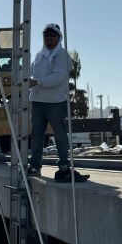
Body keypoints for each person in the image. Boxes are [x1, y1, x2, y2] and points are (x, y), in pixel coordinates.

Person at [27, 23, 89, 183]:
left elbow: (58, 77)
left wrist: (37, 82)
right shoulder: (39, 55)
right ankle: (34, 166)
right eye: (46, 35)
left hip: (56, 102)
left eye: (52, 35)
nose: (48, 38)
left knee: (60, 135)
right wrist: (19, 77)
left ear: (58, 37)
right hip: (37, 102)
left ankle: (64, 167)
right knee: (36, 135)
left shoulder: (62, 55)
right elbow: (29, 72)